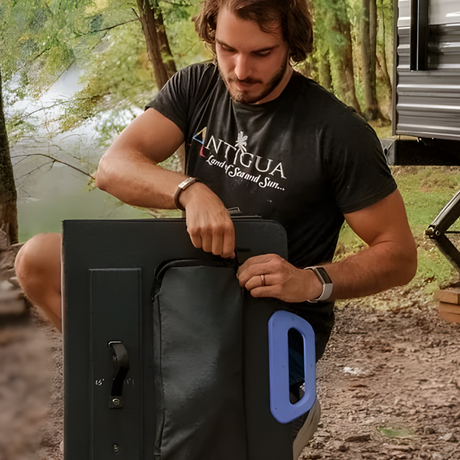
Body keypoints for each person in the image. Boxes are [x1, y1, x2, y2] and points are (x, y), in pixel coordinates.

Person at [15, 0, 417, 454]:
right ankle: (146, 390)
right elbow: (114, 167)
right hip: (180, 293)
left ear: (291, 45)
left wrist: (308, 281)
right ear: (212, 36)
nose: (240, 69)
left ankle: (251, 406)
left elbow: (398, 254)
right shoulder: (196, 85)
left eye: (261, 53)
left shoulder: (337, 131)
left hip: (264, 321)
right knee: (39, 259)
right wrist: (189, 189)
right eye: (227, 49)